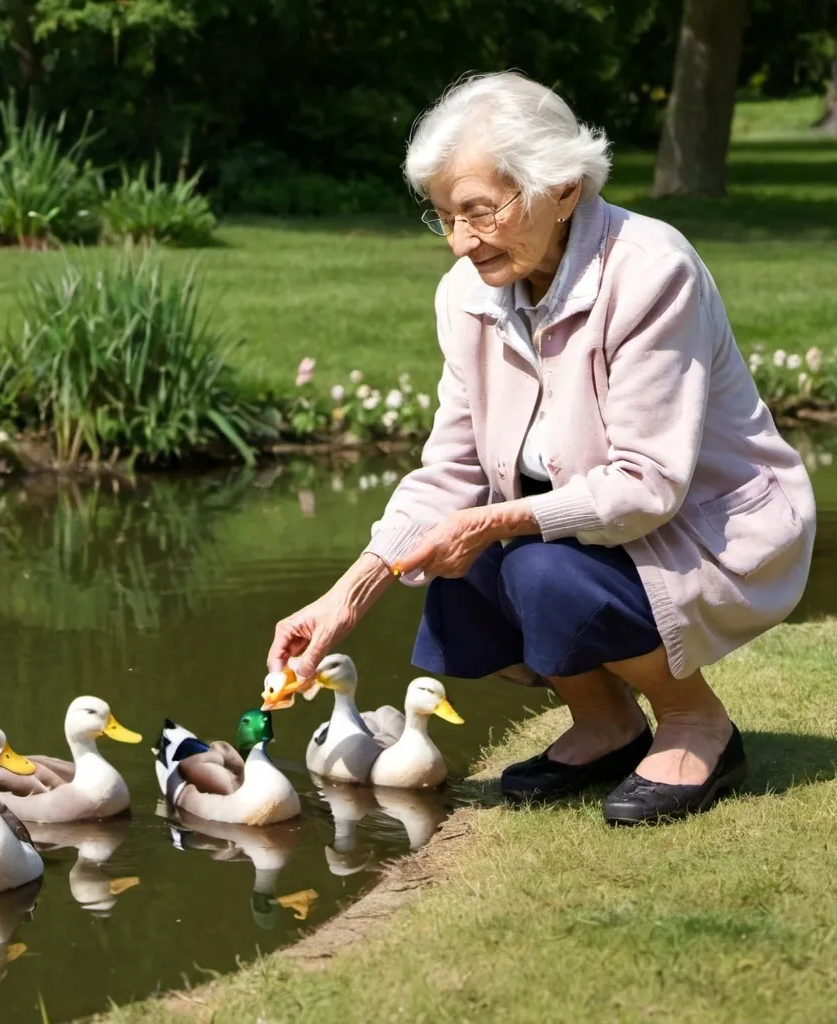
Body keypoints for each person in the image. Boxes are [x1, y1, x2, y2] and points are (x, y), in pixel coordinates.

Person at [267, 72, 816, 826]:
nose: (460, 242)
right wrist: (344, 597)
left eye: (478, 212)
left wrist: (495, 523)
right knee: (455, 565)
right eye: (445, 218)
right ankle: (607, 724)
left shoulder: (652, 269)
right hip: (591, 525)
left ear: (560, 188)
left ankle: (698, 724)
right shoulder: (466, 295)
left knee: (534, 565)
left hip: (704, 527)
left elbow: (647, 487)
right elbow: (452, 470)